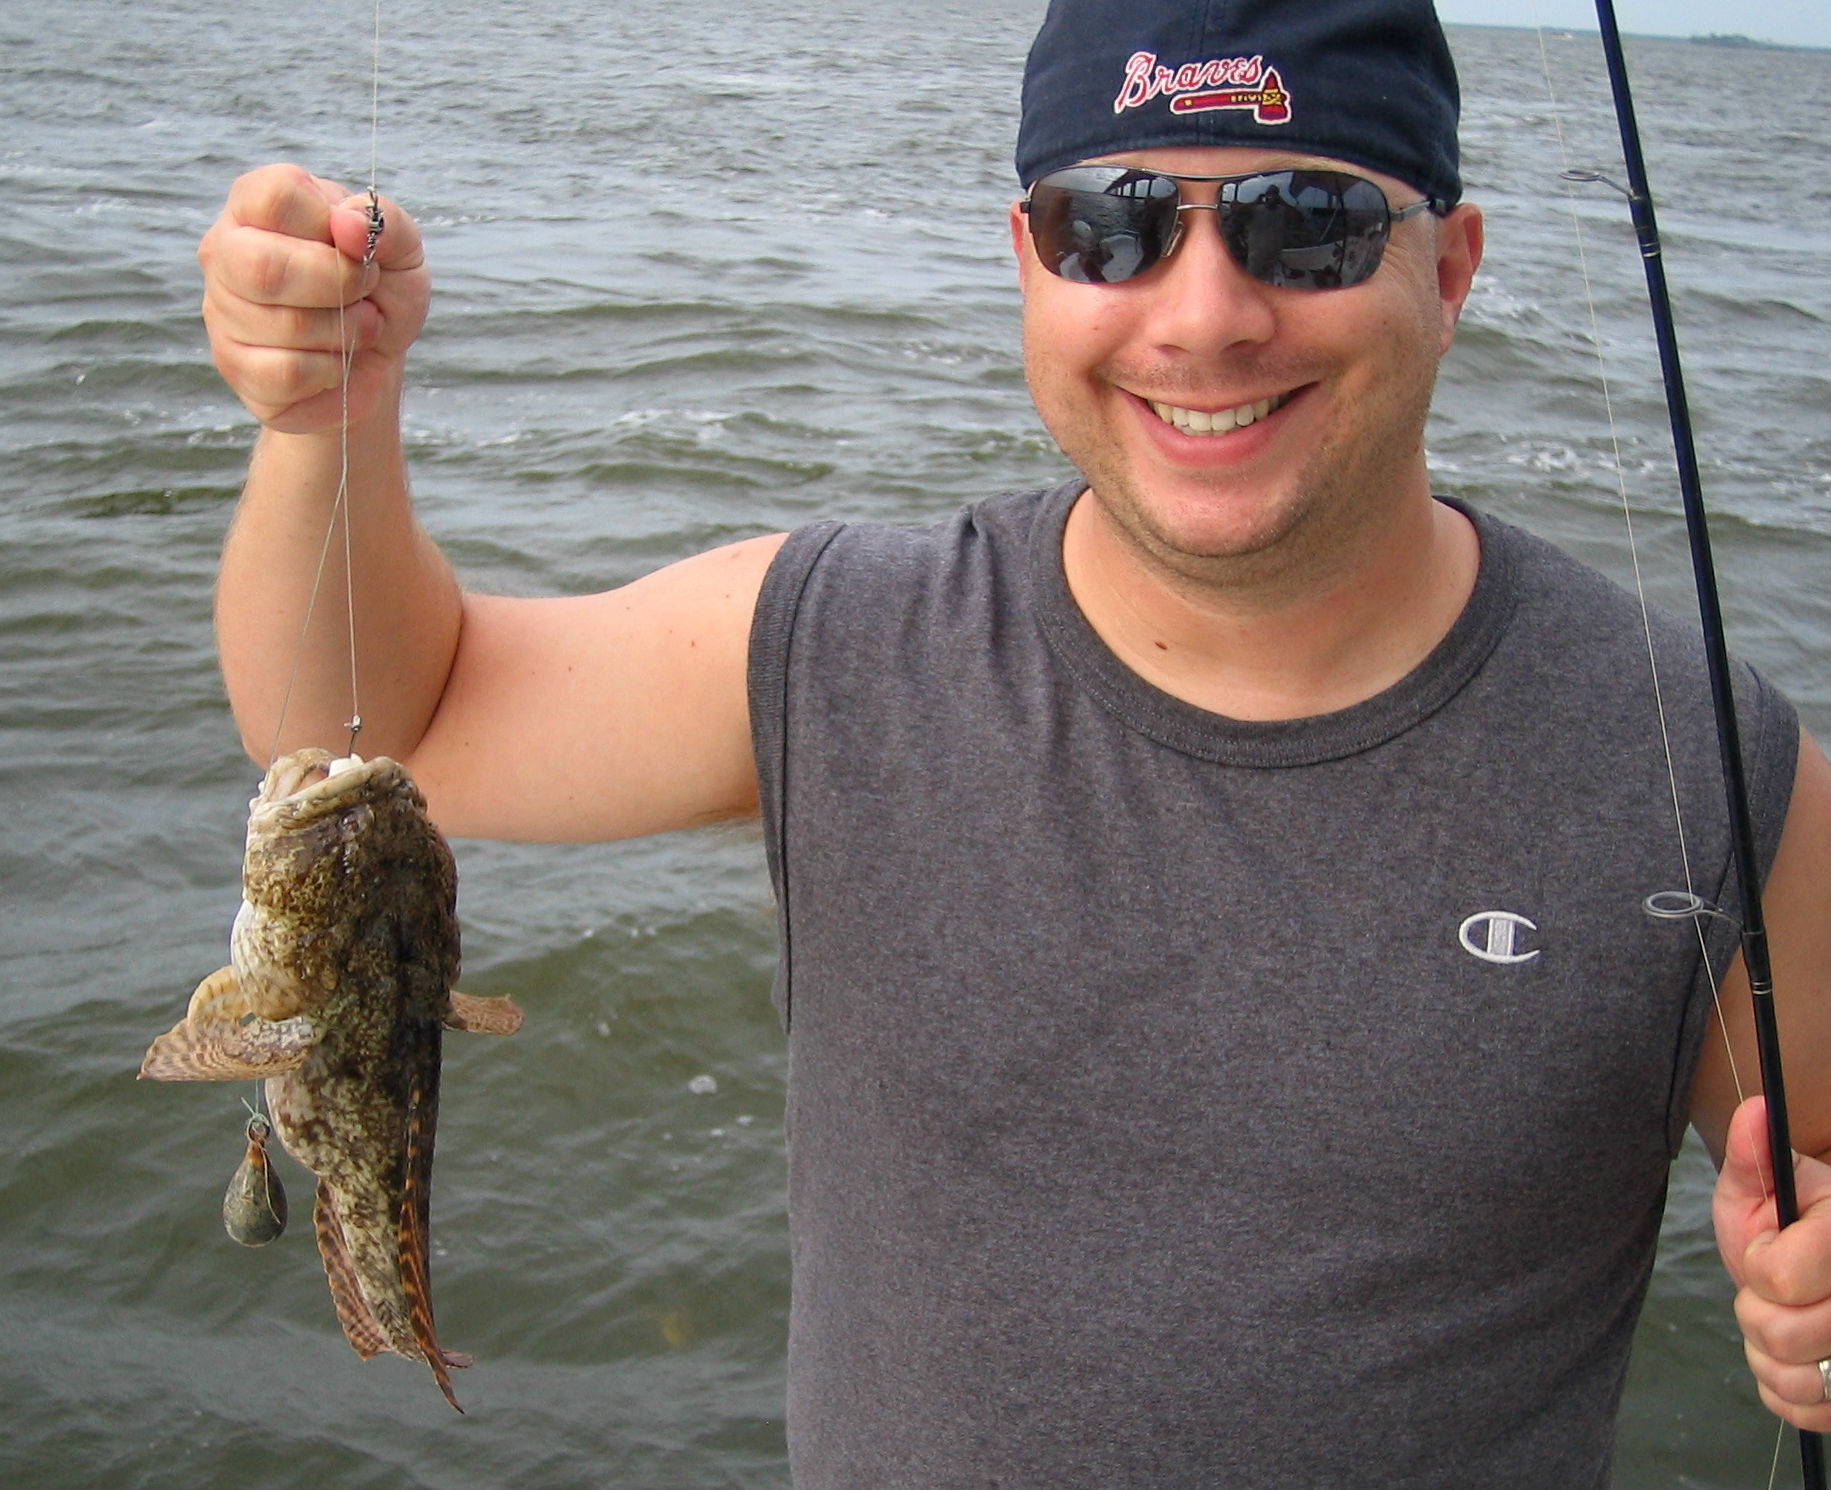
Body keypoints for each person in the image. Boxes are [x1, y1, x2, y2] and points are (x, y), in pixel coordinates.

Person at [197, 0, 1830, 1483]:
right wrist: (324, 420)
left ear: (1451, 268)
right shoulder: (840, 644)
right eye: (1108, 226)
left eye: (1309, 226)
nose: (1203, 316)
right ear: (1027, 261)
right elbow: (378, 720)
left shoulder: (1702, 767)